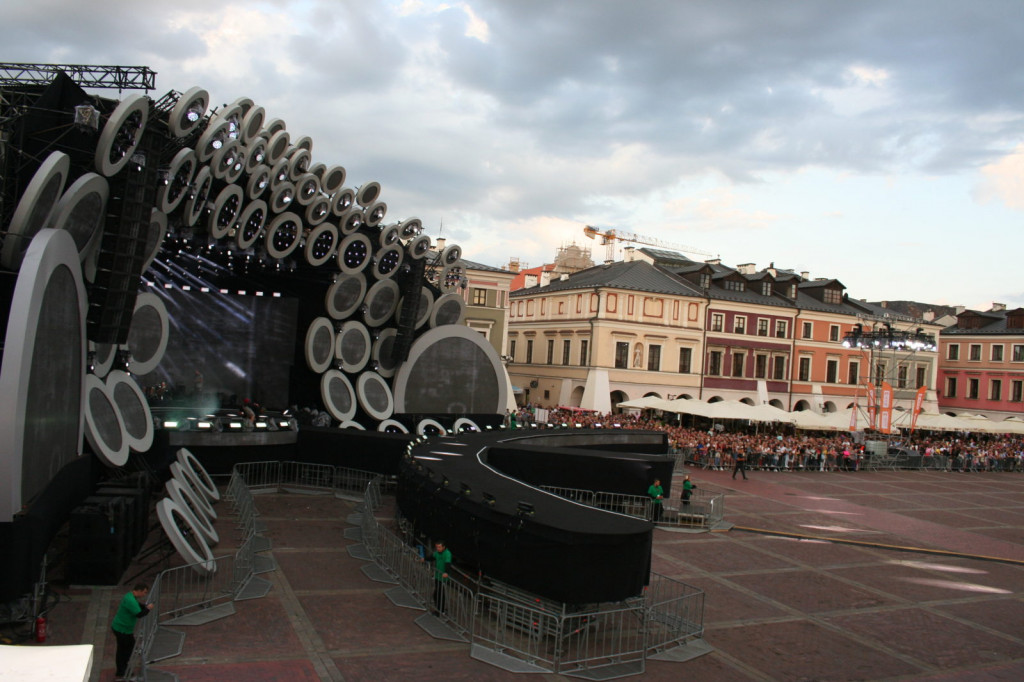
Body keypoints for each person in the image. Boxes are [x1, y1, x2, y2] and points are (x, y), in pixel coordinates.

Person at [111, 583, 153, 680]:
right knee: (124, 650)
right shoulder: (130, 600)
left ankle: (123, 668)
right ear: (139, 590)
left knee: (127, 647)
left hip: (123, 628)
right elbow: (139, 614)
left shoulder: (130, 596)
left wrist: (145, 606)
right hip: (122, 629)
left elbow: (138, 605)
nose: (144, 594)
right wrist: (148, 608)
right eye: (144, 592)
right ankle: (122, 671)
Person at [429, 540, 452, 615]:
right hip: (437, 576)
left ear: (443, 547)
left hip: (443, 578)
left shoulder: (447, 554)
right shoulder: (437, 553)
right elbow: (432, 557)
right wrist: (424, 559)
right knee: (437, 593)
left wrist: (446, 572)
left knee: (440, 593)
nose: (438, 549)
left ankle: (440, 610)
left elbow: (448, 563)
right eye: (437, 547)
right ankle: (438, 609)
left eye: (439, 547)